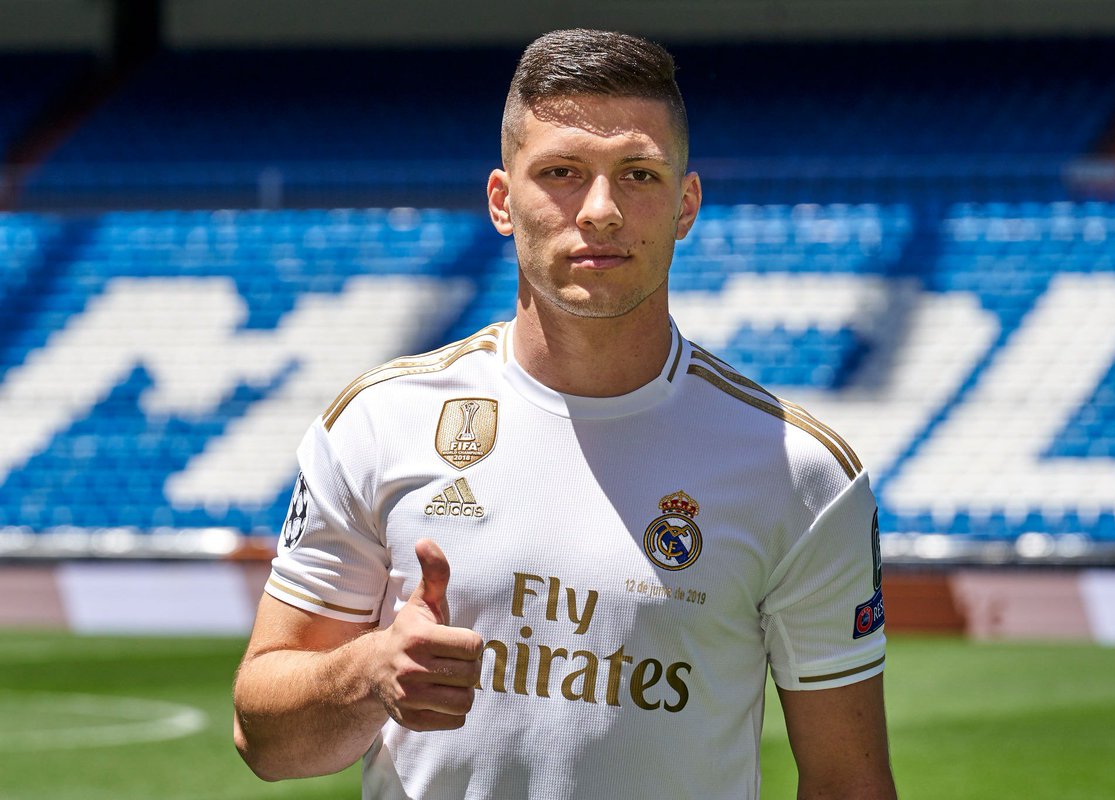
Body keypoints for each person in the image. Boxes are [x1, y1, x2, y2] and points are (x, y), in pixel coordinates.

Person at [233, 28, 896, 799]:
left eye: (639, 174)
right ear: (502, 201)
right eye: (561, 173)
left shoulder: (800, 471)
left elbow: (850, 782)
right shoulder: (379, 423)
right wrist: (370, 674)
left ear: (685, 205)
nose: (602, 210)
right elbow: (264, 741)